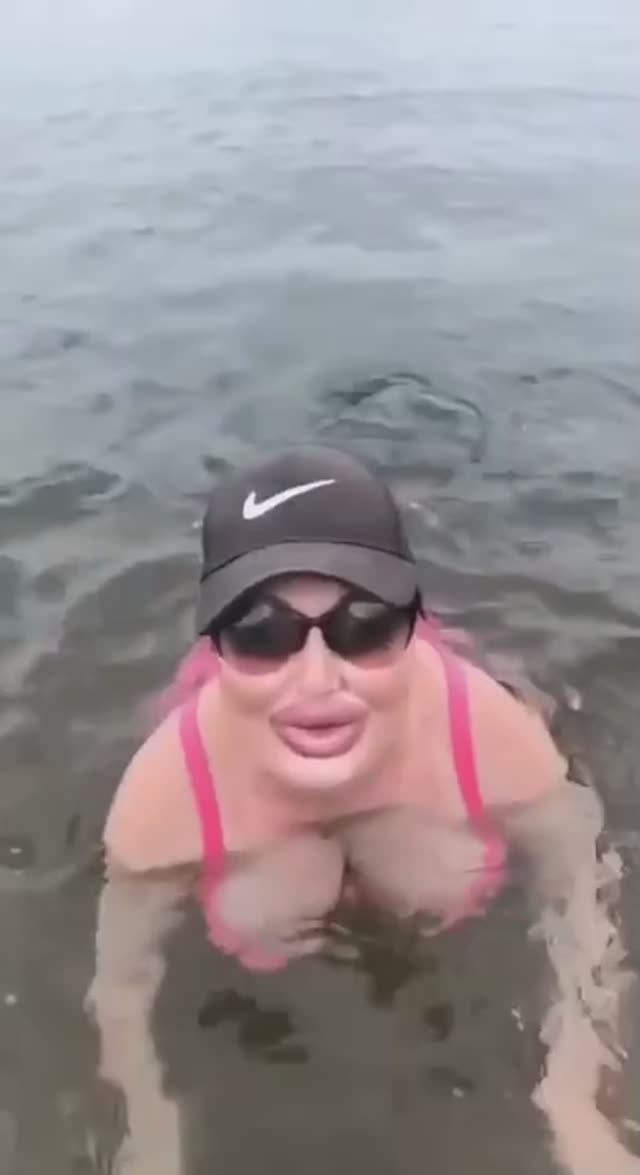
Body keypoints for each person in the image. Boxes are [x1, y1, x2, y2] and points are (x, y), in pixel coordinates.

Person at [88, 446, 638, 1175]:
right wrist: (151, 1133)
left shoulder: (487, 734)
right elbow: (122, 990)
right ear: (215, 642)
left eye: (365, 624)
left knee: (436, 863)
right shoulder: (167, 797)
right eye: (260, 631)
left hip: (430, 747)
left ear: (411, 622)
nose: (318, 678)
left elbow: (581, 893)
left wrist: (573, 1095)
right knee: (266, 898)